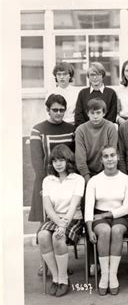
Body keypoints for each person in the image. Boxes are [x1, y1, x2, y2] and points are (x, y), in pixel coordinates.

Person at [29, 94, 75, 276]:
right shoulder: (38, 130)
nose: (58, 113)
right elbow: (37, 162)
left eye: (62, 110)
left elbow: (73, 157)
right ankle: (45, 264)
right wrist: (45, 185)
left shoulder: (71, 129)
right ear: (47, 110)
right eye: (55, 110)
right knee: (45, 225)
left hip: (68, 183)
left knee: (64, 225)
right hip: (46, 183)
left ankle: (62, 263)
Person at [85, 146, 128, 295]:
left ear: (118, 157)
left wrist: (106, 215)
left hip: (120, 216)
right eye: (106, 156)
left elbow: (127, 207)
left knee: (117, 230)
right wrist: (88, 229)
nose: (110, 159)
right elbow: (88, 207)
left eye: (112, 155)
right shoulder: (94, 180)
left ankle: (113, 275)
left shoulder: (126, 179)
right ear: (101, 160)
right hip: (98, 216)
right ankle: (104, 275)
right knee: (105, 231)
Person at [38, 145, 85, 297]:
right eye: (55, 161)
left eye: (62, 160)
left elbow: (74, 205)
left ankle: (64, 280)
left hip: (73, 218)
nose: (58, 164)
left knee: (57, 238)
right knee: (42, 235)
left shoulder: (77, 179)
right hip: (55, 217)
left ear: (68, 161)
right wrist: (59, 223)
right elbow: (47, 207)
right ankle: (56, 277)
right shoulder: (47, 180)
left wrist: (63, 225)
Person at [75, 99, 118, 185]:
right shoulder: (81, 130)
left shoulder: (110, 127)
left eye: (98, 113)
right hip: (87, 173)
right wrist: (88, 180)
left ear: (104, 113)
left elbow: (112, 154)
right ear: (87, 113)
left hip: (106, 171)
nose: (95, 116)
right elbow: (80, 158)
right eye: (92, 113)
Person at [75, 62, 118, 127]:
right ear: (88, 77)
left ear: (103, 75)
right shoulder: (82, 93)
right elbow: (79, 116)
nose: (95, 77)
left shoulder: (111, 93)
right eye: (92, 75)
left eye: (98, 74)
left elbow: (112, 117)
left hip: (105, 131)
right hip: (86, 131)